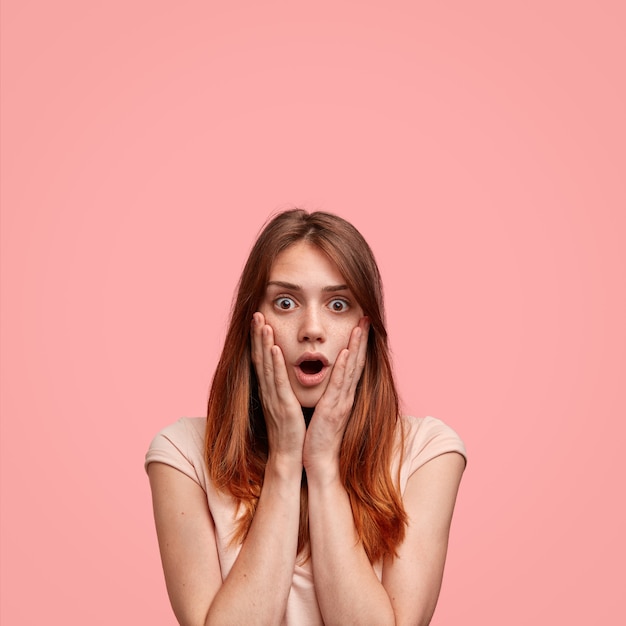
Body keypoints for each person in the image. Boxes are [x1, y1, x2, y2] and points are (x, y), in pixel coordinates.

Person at [145, 209, 466, 626]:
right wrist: (283, 460)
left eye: (338, 304)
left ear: (365, 326)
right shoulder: (181, 454)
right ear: (251, 322)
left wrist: (323, 467)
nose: (311, 329)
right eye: (285, 302)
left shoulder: (429, 452)